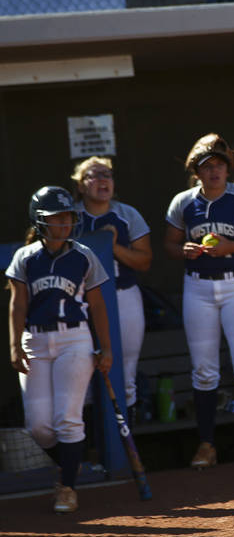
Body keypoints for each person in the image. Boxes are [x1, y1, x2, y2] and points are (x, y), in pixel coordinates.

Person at [163, 133, 234, 469]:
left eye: (219, 165)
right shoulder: (183, 202)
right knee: (204, 370)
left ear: (227, 168)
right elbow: (169, 245)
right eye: (207, 167)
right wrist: (183, 251)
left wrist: (231, 247)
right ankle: (206, 445)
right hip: (198, 287)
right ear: (197, 172)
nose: (214, 172)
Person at [7, 186, 112, 513]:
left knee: (68, 419)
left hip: (74, 339)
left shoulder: (82, 255)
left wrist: (105, 348)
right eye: (56, 218)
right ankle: (71, 462)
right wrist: (13, 344)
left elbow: (97, 306)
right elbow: (17, 304)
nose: (65, 224)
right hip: (35, 340)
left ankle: (67, 486)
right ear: (40, 221)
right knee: (39, 426)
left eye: (68, 217)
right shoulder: (25, 257)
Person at [71, 157, 151, 418]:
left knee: (125, 371)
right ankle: (92, 452)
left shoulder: (127, 215)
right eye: (93, 175)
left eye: (107, 174)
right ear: (81, 186)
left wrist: (112, 246)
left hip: (123, 295)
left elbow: (144, 261)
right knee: (82, 375)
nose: (102, 179)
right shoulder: (70, 217)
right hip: (80, 302)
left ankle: (127, 451)